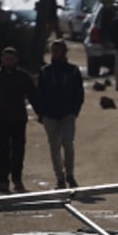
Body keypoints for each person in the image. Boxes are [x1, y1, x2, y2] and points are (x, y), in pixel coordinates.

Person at [0, 46, 37, 194]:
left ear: (16, 60)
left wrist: (41, 113)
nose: (9, 61)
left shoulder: (23, 76)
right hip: (1, 119)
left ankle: (17, 179)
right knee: (3, 150)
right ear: (2, 59)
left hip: (19, 119)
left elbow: (33, 96)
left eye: (11, 59)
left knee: (18, 150)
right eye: (6, 58)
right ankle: (3, 180)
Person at [34, 39, 85, 189]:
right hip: (50, 114)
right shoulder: (45, 71)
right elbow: (40, 93)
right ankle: (60, 177)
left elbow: (79, 92)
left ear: (64, 52)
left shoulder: (73, 71)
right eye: (53, 50)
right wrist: (41, 113)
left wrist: (75, 111)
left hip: (68, 113)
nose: (55, 53)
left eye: (58, 50)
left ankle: (70, 174)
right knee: (54, 146)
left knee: (67, 142)